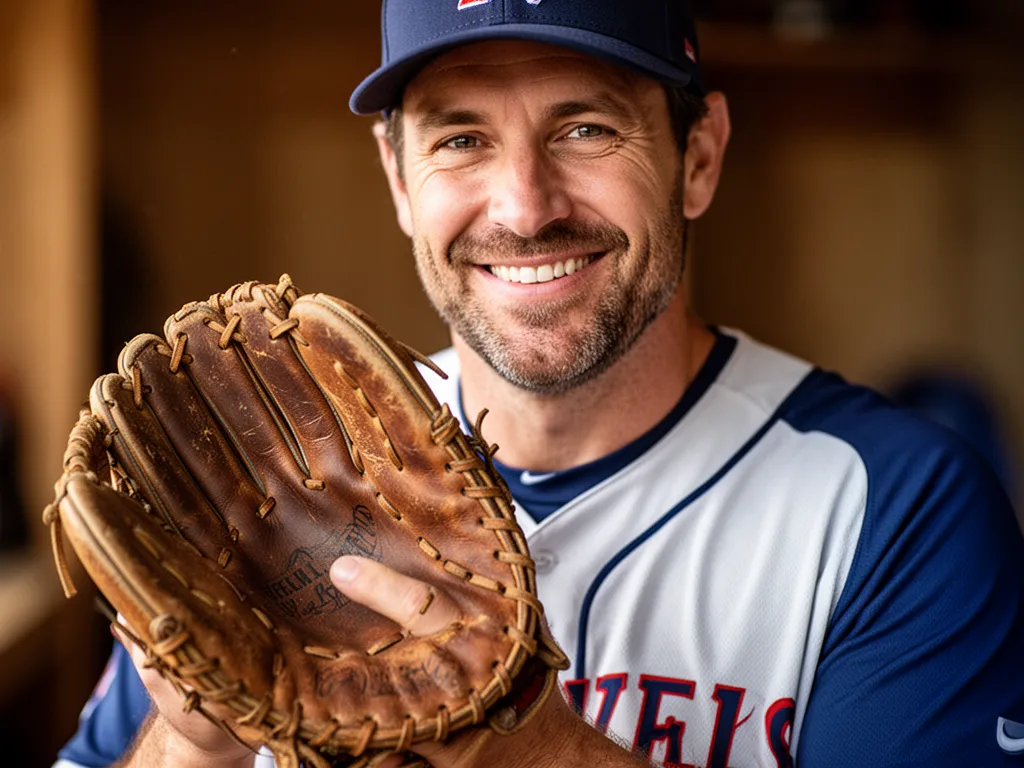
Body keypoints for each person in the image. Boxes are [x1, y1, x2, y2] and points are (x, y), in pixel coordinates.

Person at [56, 1, 1024, 766]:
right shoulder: (260, 488)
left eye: (586, 128)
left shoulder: (893, 510)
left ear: (698, 157)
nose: (524, 207)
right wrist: (192, 745)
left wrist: (524, 746)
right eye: (460, 138)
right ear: (398, 178)